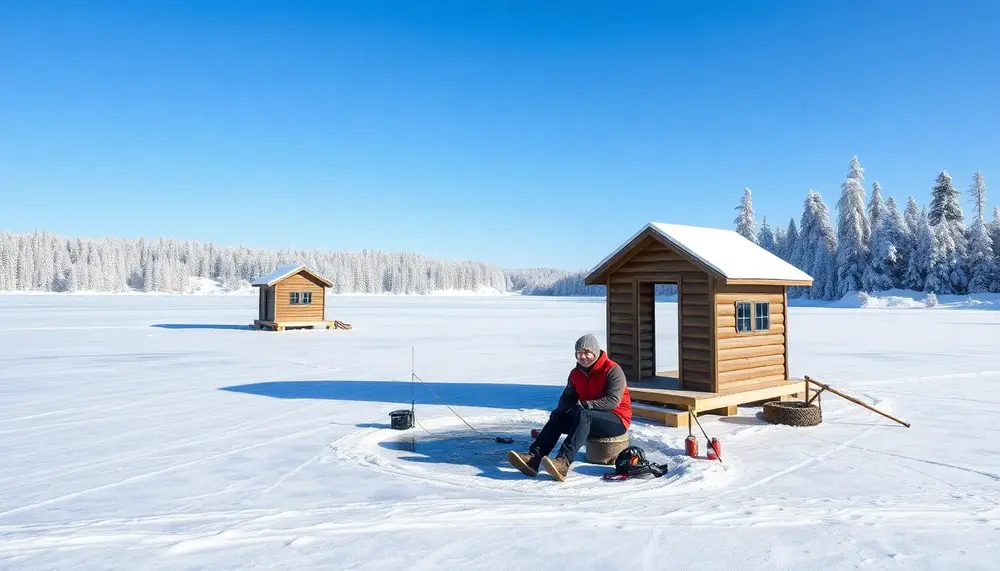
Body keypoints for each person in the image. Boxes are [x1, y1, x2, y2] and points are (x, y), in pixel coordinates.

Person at [507, 333, 632, 481]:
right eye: (579, 353)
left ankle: (563, 462)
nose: (583, 357)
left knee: (584, 414)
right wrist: (560, 411)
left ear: (596, 352)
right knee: (559, 416)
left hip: (616, 419)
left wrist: (587, 404)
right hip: (587, 417)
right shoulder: (575, 373)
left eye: (587, 353)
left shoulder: (612, 370)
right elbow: (568, 397)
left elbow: (613, 401)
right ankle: (534, 457)